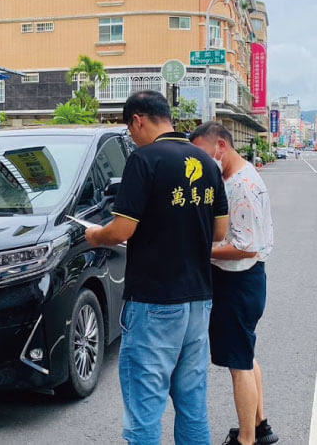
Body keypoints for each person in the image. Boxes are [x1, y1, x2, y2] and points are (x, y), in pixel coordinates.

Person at [85, 90, 229, 445]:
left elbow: (122, 230)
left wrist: (95, 235)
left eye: (130, 129)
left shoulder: (144, 160)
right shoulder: (207, 163)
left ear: (138, 119)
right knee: (193, 406)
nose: (132, 137)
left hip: (154, 302)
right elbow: (220, 231)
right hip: (198, 301)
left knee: (145, 411)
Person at [189, 122, 278, 445]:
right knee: (245, 355)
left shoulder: (242, 185)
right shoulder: (233, 177)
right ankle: (261, 425)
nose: (199, 163)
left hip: (239, 281)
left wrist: (201, 249)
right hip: (241, 280)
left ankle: (247, 439)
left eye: (202, 154)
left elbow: (245, 245)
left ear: (221, 147)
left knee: (238, 364)